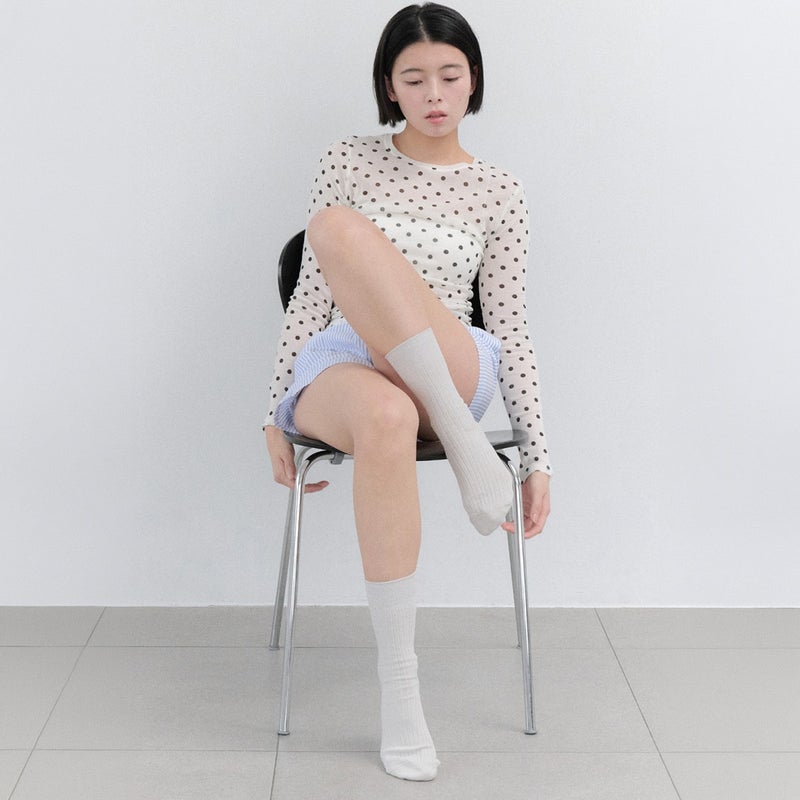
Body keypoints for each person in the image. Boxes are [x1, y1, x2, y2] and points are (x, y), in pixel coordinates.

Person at [264, 2, 551, 781]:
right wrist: (271, 414)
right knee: (337, 237)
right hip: (345, 362)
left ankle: (457, 430)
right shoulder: (348, 161)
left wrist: (538, 455)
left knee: (349, 245)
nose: (434, 94)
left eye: (449, 76)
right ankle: (400, 693)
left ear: (473, 81)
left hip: (450, 363)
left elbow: (513, 328)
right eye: (414, 78)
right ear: (388, 87)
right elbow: (310, 302)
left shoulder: (498, 190)